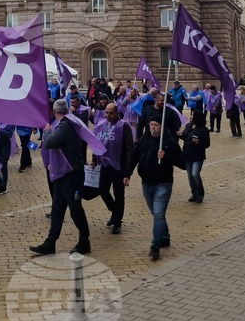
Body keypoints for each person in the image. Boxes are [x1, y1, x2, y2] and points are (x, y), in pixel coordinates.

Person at [29, 99, 92, 256]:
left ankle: (85, 241)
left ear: (54, 111)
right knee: (57, 210)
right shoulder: (64, 122)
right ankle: (50, 243)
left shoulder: (66, 124)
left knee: (75, 209)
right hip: (61, 173)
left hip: (71, 173)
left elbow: (50, 142)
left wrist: (47, 131)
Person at [128, 116, 184, 261]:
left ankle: (155, 244)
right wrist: (127, 174)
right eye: (151, 124)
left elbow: (183, 163)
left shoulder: (169, 141)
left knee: (158, 214)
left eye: (156, 125)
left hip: (163, 183)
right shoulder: (144, 139)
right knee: (155, 213)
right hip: (146, 182)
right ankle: (164, 235)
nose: (152, 127)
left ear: (162, 127)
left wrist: (167, 156)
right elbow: (135, 156)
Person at [91, 102, 134, 234]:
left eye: (111, 113)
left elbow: (129, 148)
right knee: (102, 190)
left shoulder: (124, 126)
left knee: (119, 194)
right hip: (104, 164)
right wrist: (94, 159)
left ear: (116, 113)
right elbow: (97, 142)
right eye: (106, 112)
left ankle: (117, 221)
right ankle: (115, 213)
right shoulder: (102, 125)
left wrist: (128, 171)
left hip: (118, 165)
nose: (108, 115)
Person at [180, 110, 211, 203]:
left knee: (195, 174)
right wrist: (180, 135)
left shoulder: (203, 129)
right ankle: (194, 193)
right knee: (190, 175)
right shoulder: (188, 126)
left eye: (192, 115)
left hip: (198, 155)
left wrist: (199, 142)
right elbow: (185, 136)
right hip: (187, 154)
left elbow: (207, 144)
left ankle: (200, 194)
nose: (191, 117)